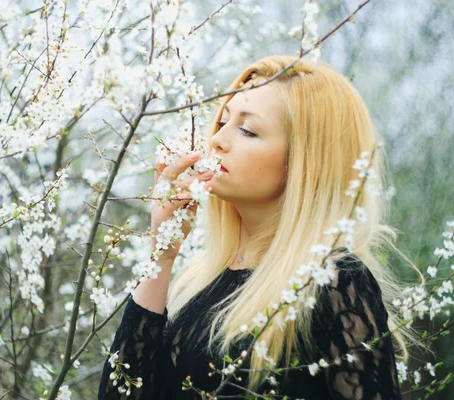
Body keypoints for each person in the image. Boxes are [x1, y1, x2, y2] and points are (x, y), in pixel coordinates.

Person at [98, 55, 422, 399]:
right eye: (222, 121)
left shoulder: (331, 281)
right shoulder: (199, 282)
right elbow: (118, 394)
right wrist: (161, 253)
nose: (217, 140)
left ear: (302, 162)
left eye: (248, 130)